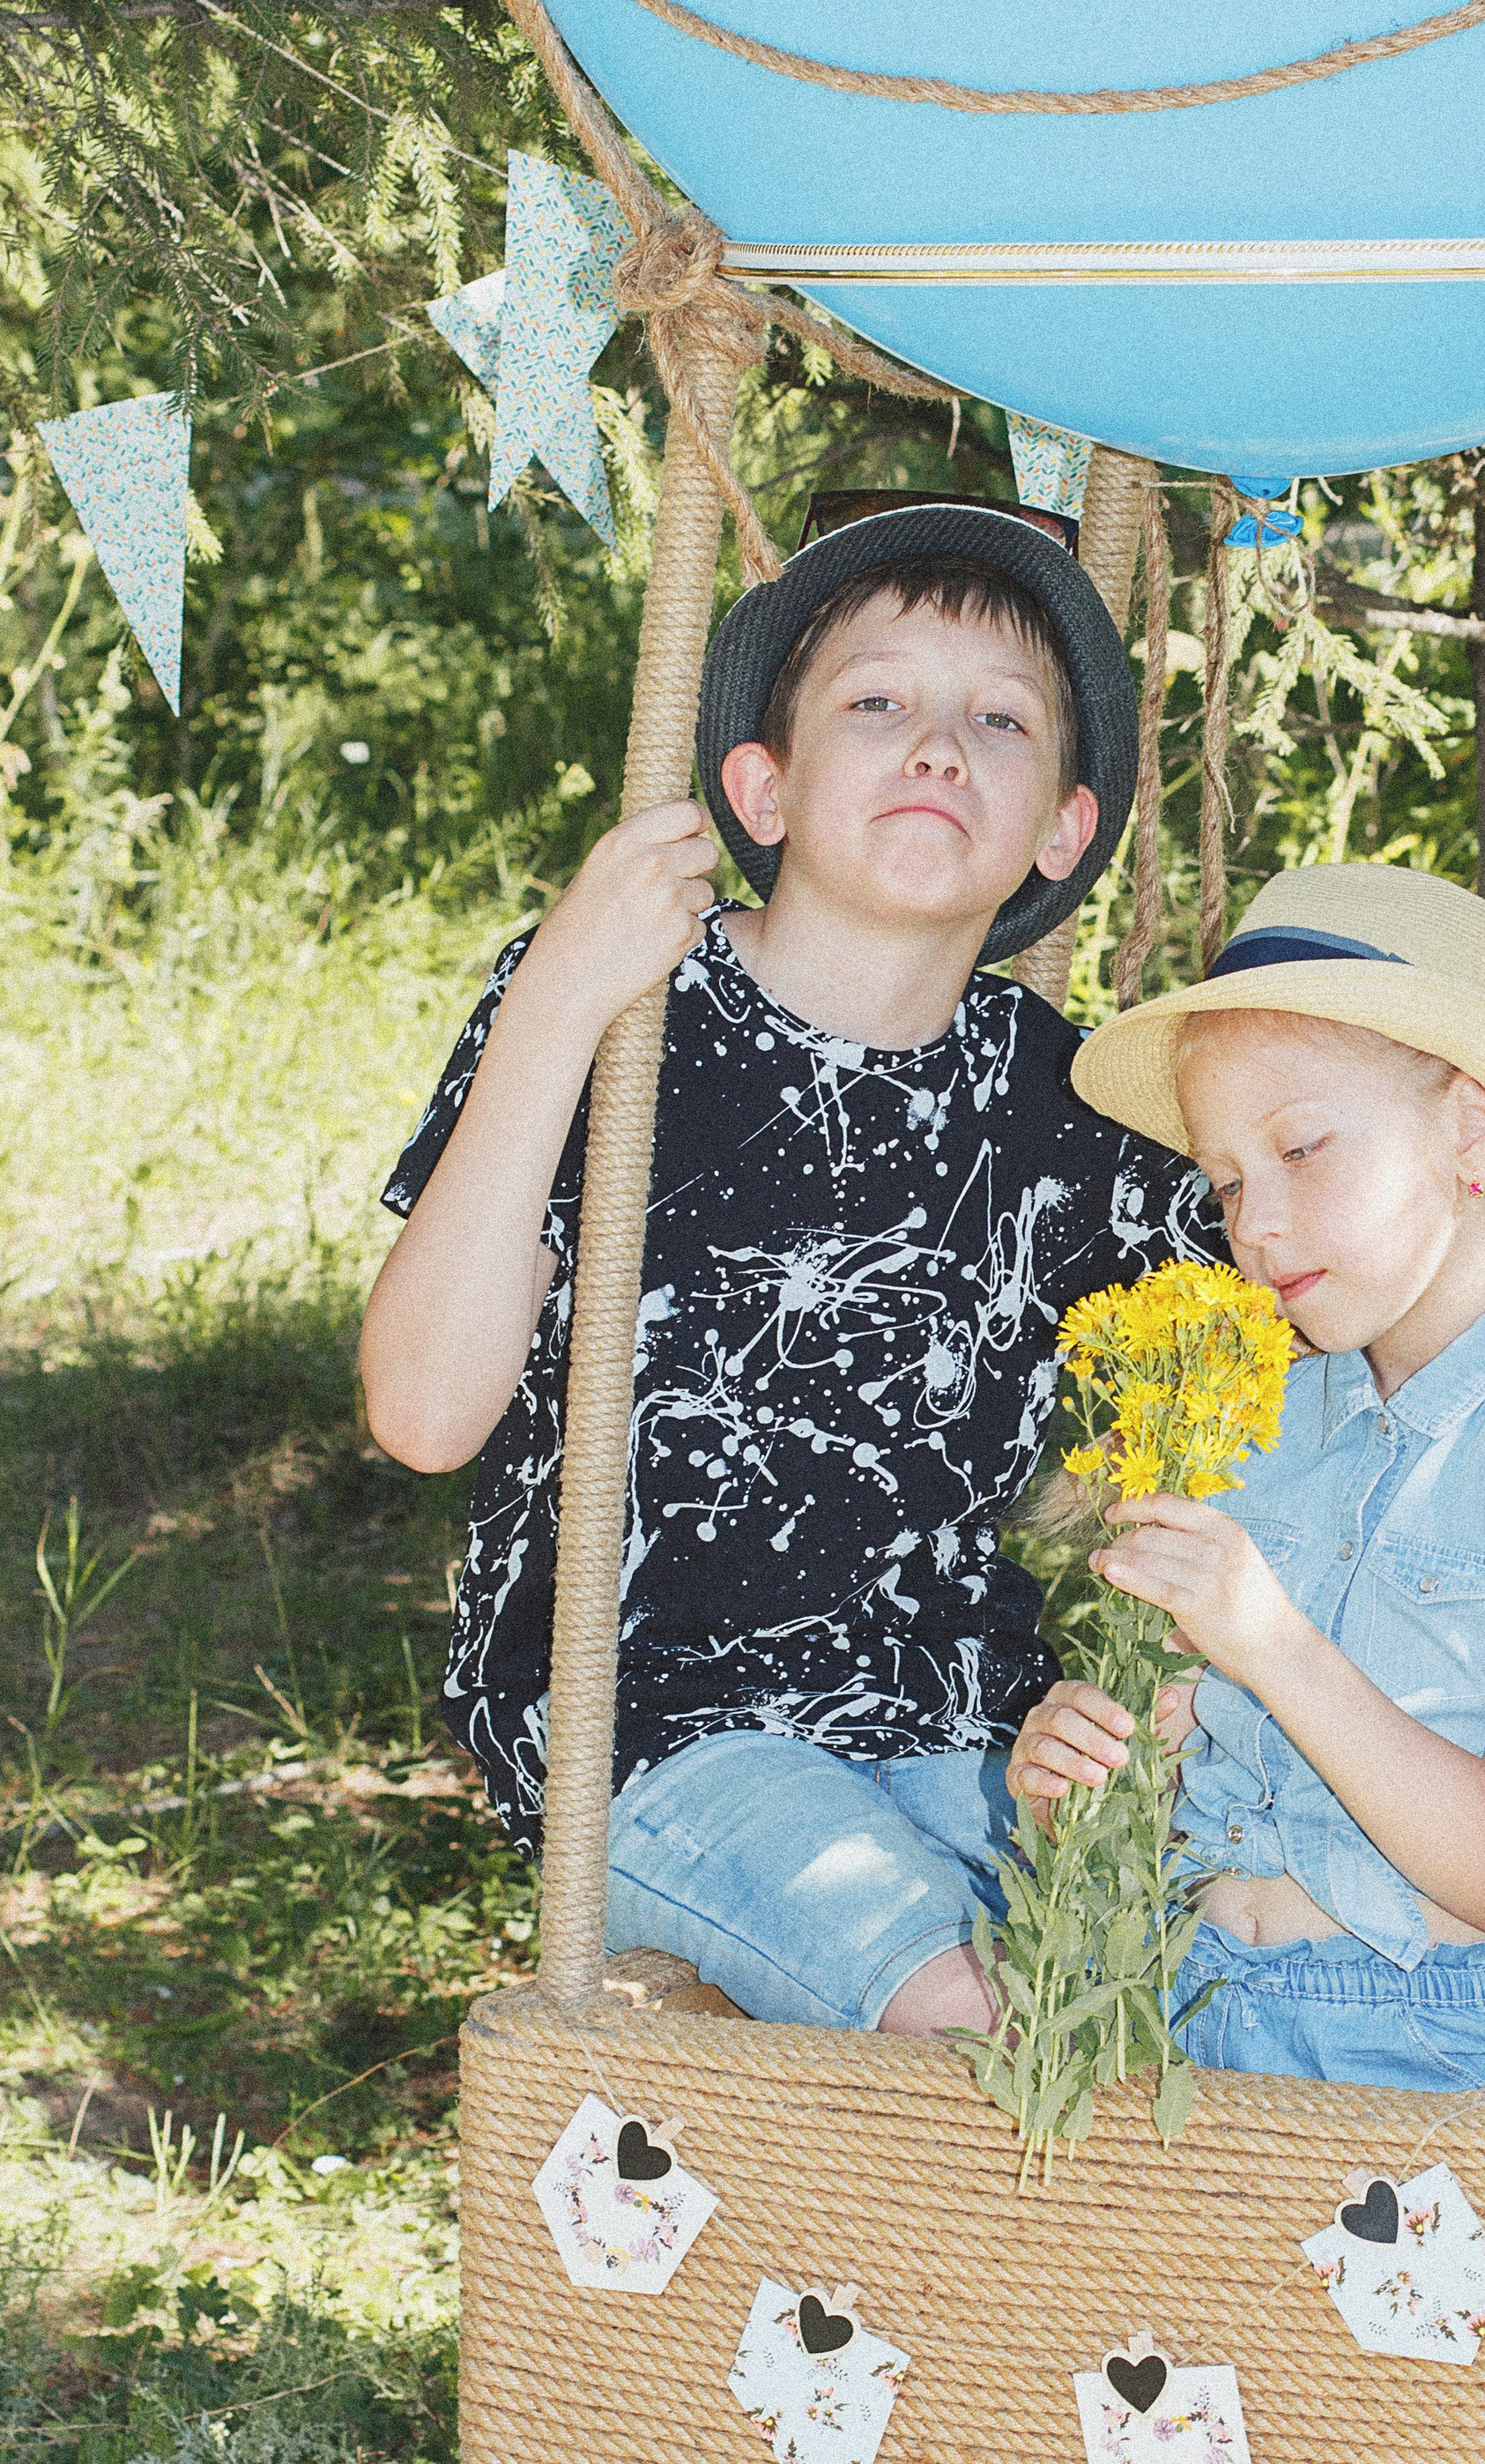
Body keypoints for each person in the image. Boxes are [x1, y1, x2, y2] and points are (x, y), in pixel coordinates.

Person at [360, 502, 1210, 2043]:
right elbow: (424, 1412)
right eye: (878, 701)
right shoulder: (619, 1013)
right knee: (967, 2016)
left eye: (1000, 719)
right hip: (656, 1731)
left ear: (1064, 830)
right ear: (762, 786)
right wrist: (561, 993)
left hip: (977, 1729)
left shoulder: (1082, 1113)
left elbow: (1180, 1432)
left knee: (1157, 2004)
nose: (939, 746)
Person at [1006, 860, 1485, 2092]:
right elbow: (1187, 1781)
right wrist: (1082, 1776)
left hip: (1441, 2047)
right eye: (1228, 1182)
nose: (1252, 1224)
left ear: (1473, 1135)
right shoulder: (1253, 1427)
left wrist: (1272, 1645)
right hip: (1188, 2008)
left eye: (1302, 1149)